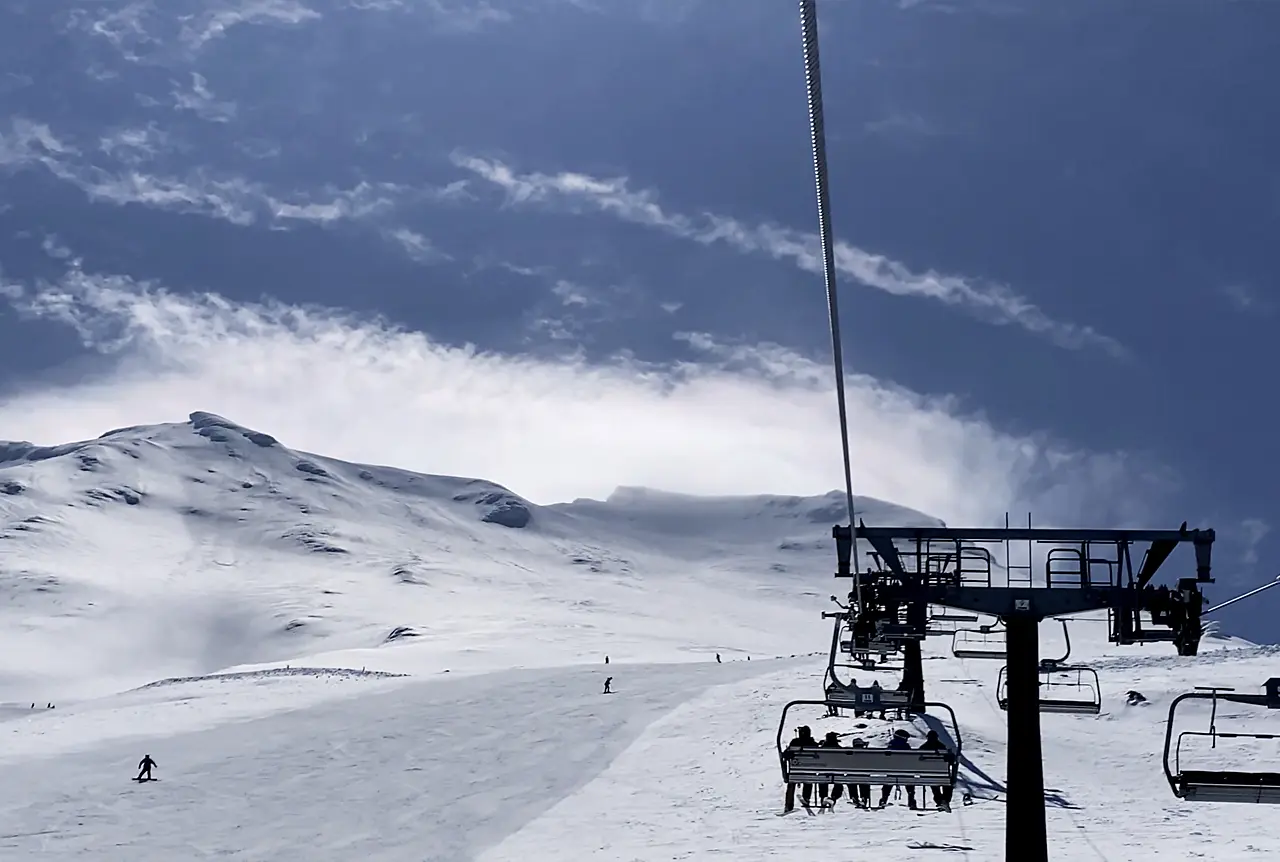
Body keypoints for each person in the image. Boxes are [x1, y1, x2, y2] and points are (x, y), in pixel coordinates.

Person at [877, 729, 917, 809]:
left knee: (889, 780)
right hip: (905, 773)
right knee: (910, 780)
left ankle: (884, 799)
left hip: (892, 772)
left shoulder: (891, 745)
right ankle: (911, 800)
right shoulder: (906, 746)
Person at [782, 725, 818, 812]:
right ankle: (806, 797)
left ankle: (788, 805)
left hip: (795, 772)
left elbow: (785, 755)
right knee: (808, 780)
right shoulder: (813, 744)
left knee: (791, 783)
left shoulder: (795, 743)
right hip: (809, 771)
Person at [918, 729, 955, 811]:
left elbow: (917, 760)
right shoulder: (942, 747)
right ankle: (945, 800)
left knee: (934, 785)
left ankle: (940, 801)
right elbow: (951, 761)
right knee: (948, 785)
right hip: (943, 775)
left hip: (929, 774)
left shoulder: (923, 748)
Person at [817, 731, 849, 810]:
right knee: (839, 781)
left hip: (824, 773)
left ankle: (823, 796)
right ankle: (834, 797)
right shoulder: (840, 750)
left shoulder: (821, 750)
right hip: (837, 773)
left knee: (823, 778)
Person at [846, 738, 873, 808]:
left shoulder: (849, 753)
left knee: (850, 778)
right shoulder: (866, 753)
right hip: (864, 775)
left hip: (852, 775)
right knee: (864, 778)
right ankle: (864, 797)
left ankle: (854, 797)